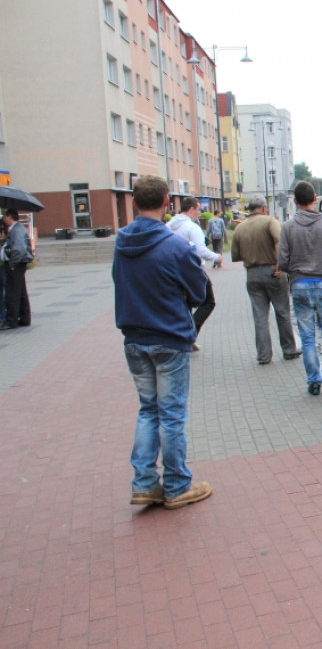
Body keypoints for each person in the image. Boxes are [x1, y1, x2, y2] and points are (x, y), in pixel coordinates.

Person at [113, 175, 212, 510]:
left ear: (134, 202)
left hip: (134, 337)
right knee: (170, 414)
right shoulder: (174, 247)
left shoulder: (121, 243)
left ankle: (144, 484)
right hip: (168, 336)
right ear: (167, 201)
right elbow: (200, 292)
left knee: (148, 410)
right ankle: (176, 485)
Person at [278, 181, 322, 397]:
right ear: (315, 199)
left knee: (307, 337)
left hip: (299, 285)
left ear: (295, 201)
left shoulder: (288, 227)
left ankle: (314, 381)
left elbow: (282, 261)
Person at [231, 196, 301, 365]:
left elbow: (235, 255)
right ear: (263, 208)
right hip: (272, 272)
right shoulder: (270, 221)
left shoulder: (240, 228)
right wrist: (279, 265)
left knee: (260, 316)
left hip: (252, 274)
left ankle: (263, 356)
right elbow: (279, 241)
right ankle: (289, 350)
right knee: (282, 312)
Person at [166, 197, 221, 351]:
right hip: (192, 271)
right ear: (191, 209)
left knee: (185, 304)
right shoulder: (192, 227)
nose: (199, 213)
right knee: (208, 301)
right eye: (198, 209)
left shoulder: (168, 225)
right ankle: (189, 335)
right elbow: (200, 250)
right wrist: (216, 257)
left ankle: (183, 336)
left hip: (172, 271)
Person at [1, 209, 33, 330]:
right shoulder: (16, 229)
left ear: (9, 217)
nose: (4, 218)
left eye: (5, 216)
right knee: (20, 292)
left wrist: (13, 263)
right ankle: (24, 318)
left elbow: (19, 249)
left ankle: (11, 320)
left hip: (16, 264)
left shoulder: (16, 230)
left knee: (12, 293)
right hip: (19, 264)